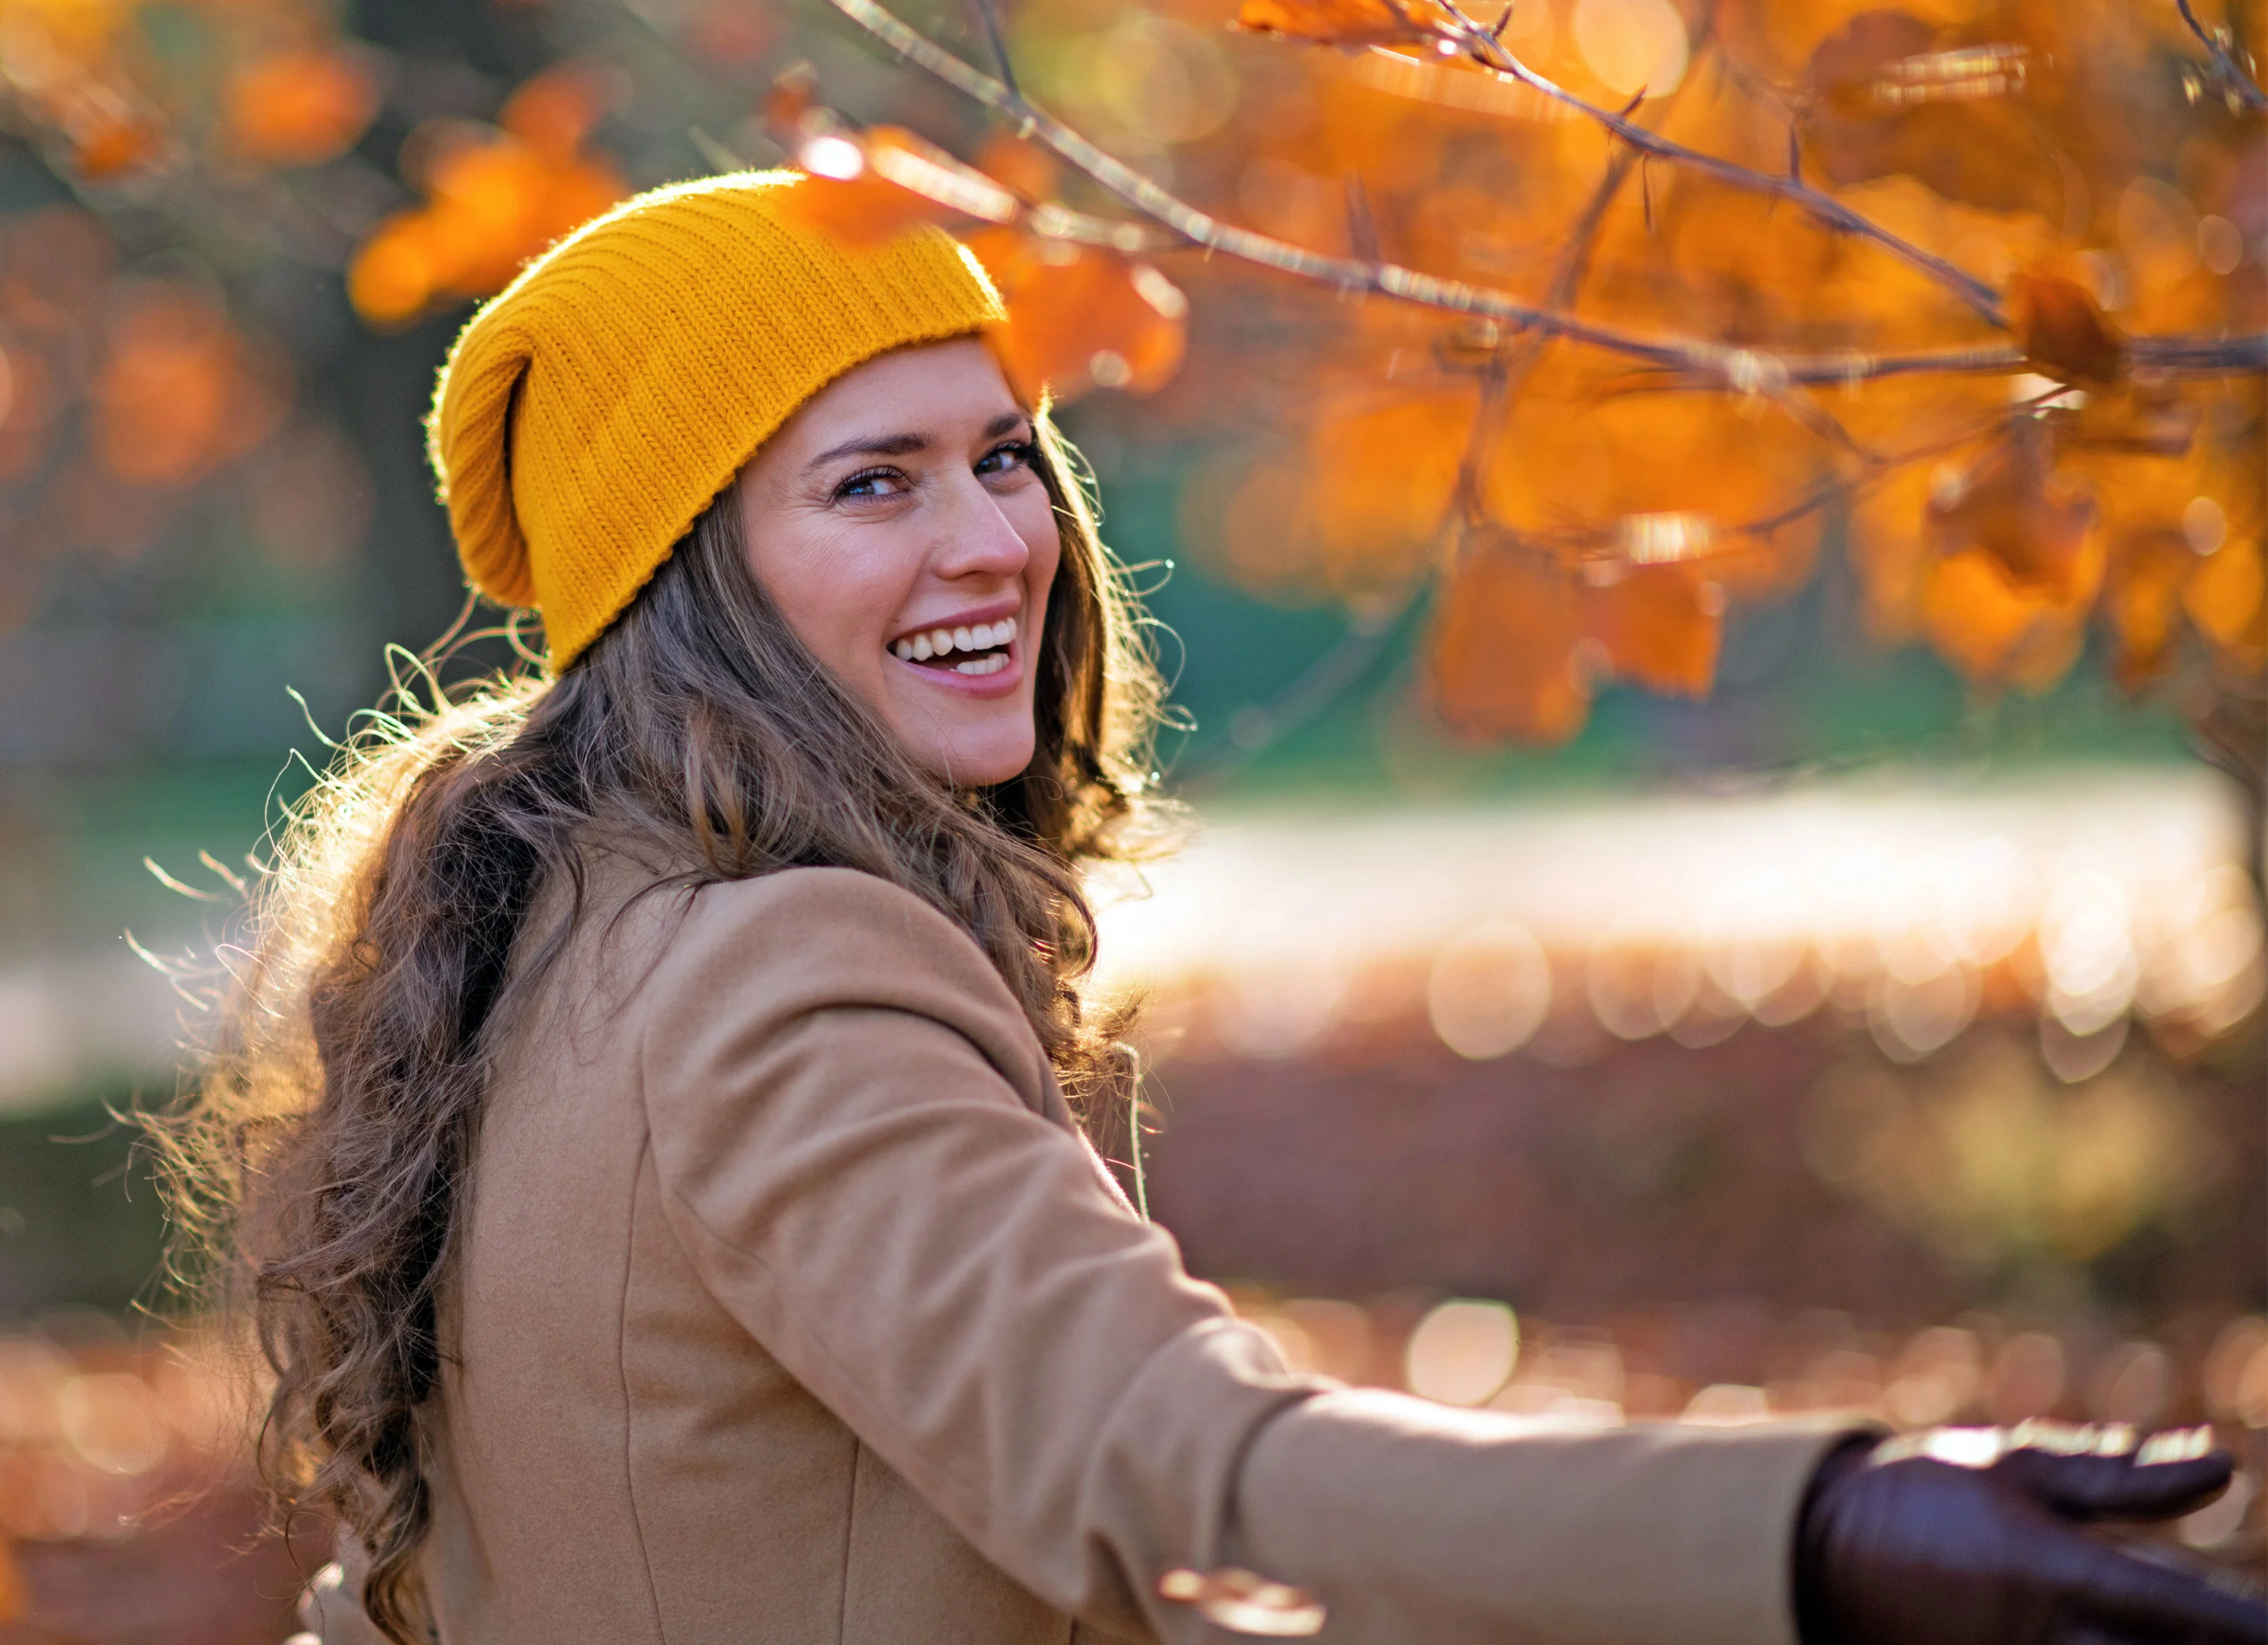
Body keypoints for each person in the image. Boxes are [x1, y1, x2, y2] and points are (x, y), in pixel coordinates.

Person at [172, 173, 2268, 1645]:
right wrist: (1809, 1534)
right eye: (870, 483)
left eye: (1003, 454)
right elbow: (1179, 1461)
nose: (997, 536)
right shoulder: (775, 973)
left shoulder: (558, 930)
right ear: (685, 588)